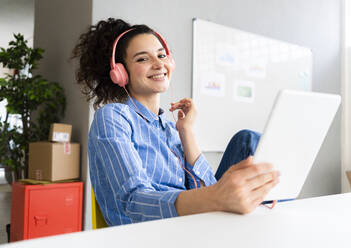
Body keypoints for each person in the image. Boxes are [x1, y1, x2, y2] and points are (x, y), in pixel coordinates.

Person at [72, 18, 280, 226]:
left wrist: (187, 132)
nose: (159, 63)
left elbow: (207, 191)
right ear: (121, 73)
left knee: (248, 140)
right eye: (143, 59)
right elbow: (132, 201)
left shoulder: (172, 129)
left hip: (191, 225)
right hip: (150, 234)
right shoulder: (114, 117)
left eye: (162, 55)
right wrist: (215, 197)